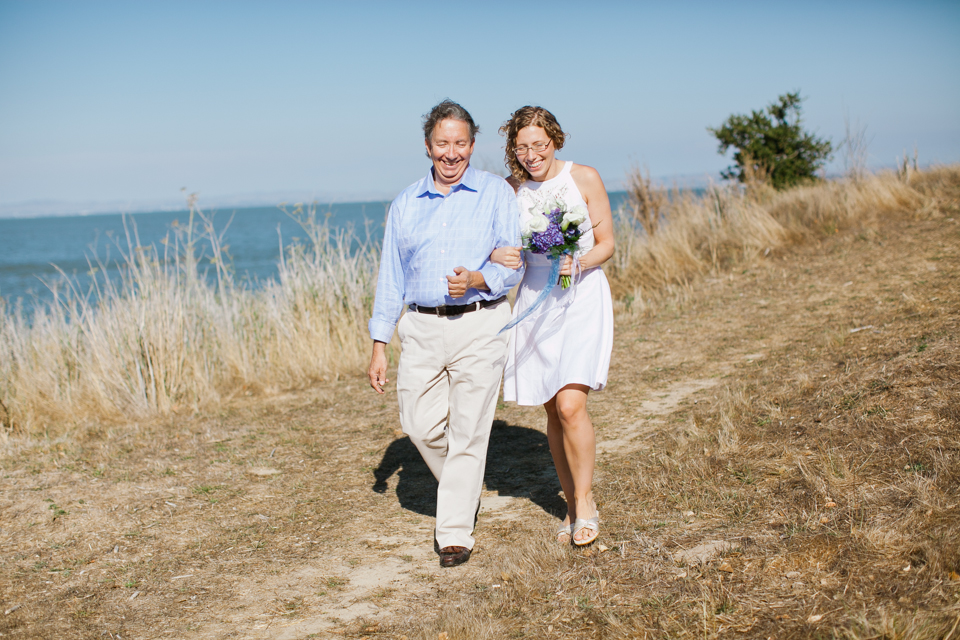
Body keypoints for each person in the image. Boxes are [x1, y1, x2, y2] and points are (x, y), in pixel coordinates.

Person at [367, 100, 523, 568]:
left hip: (481, 321)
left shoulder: (497, 193)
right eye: (442, 144)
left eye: (460, 144)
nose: (451, 153)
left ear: (472, 145)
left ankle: (454, 530)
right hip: (420, 327)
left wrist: (477, 278)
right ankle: (464, 484)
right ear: (428, 146)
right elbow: (390, 278)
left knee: (470, 429)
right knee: (418, 423)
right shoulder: (406, 203)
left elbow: (511, 263)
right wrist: (379, 345)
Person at [491, 106, 615, 546]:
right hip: (536, 298)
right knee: (550, 408)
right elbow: (498, 245)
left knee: (569, 405)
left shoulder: (584, 177)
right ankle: (570, 501)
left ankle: (585, 504)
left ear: (555, 140)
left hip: (580, 295)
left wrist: (578, 260)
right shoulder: (510, 190)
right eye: (522, 147)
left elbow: (607, 244)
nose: (531, 155)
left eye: (539, 145)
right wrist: (498, 257)